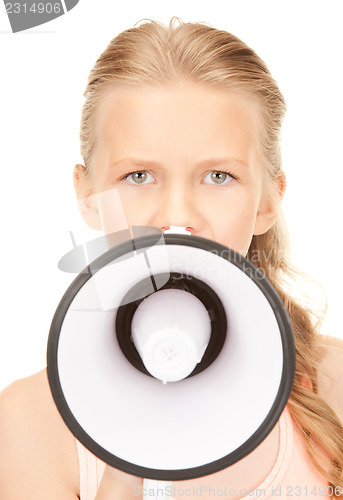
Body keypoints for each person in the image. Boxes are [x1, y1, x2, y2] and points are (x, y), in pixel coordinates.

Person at [1, 17, 343, 500]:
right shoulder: (28, 428)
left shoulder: (333, 388)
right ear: (88, 195)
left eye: (219, 177)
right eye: (139, 176)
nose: (178, 218)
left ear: (268, 202)